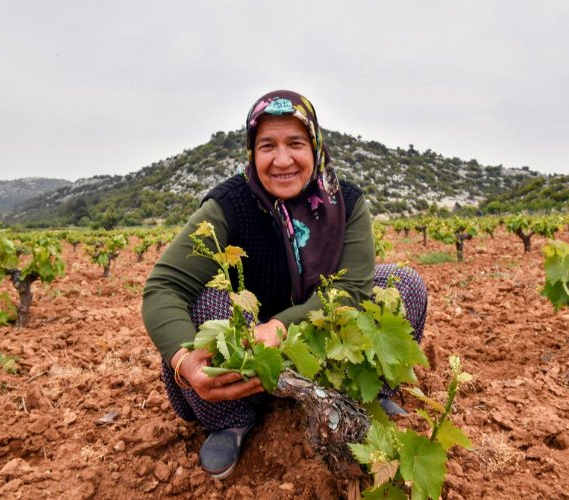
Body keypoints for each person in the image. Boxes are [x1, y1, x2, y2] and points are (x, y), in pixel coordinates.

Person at [142, 90, 427, 479]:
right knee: (207, 300)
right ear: (251, 152)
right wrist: (181, 361)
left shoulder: (346, 203)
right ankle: (232, 418)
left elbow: (352, 290)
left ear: (315, 145)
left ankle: (367, 392)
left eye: (295, 143)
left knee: (402, 283)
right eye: (267, 146)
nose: (282, 160)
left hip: (325, 348)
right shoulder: (229, 205)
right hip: (252, 362)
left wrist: (281, 325)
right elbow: (164, 287)